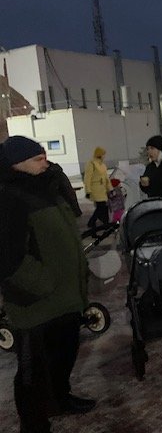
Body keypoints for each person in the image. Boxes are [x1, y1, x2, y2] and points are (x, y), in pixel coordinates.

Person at [0, 136, 96, 433]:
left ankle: (59, 399)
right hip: (35, 303)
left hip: (63, 298)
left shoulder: (47, 189)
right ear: (16, 164)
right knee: (32, 372)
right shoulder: (9, 197)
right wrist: (44, 283)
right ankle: (34, 423)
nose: (45, 162)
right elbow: (7, 258)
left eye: (44, 157)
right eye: (37, 159)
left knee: (63, 355)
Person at [83, 146, 112, 232]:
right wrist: (88, 190)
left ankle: (105, 223)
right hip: (95, 189)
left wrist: (110, 188)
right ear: (99, 154)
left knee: (103, 206)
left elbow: (106, 178)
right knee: (101, 206)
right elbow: (87, 178)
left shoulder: (102, 165)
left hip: (102, 189)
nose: (104, 156)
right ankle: (93, 222)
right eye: (103, 154)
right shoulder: (91, 163)